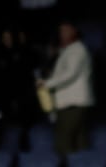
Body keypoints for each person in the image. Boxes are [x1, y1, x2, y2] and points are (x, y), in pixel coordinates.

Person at [40, 22, 93, 157]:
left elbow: (70, 73)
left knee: (63, 141)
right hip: (73, 103)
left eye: (66, 30)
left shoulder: (77, 49)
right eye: (61, 31)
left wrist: (46, 84)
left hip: (72, 103)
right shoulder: (69, 50)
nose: (62, 34)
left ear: (74, 31)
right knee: (80, 142)